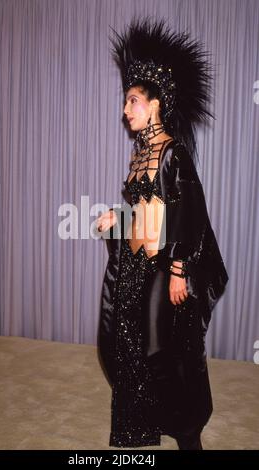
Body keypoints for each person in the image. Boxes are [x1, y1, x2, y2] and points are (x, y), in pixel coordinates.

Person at [96, 17, 228, 450]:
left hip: (159, 269)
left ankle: (189, 434)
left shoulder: (173, 152)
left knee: (161, 356)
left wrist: (177, 270)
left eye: (132, 101)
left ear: (153, 104)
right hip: (132, 268)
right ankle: (138, 441)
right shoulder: (140, 154)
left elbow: (188, 214)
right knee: (127, 354)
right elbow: (144, 211)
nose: (126, 110)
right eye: (126, 102)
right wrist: (117, 217)